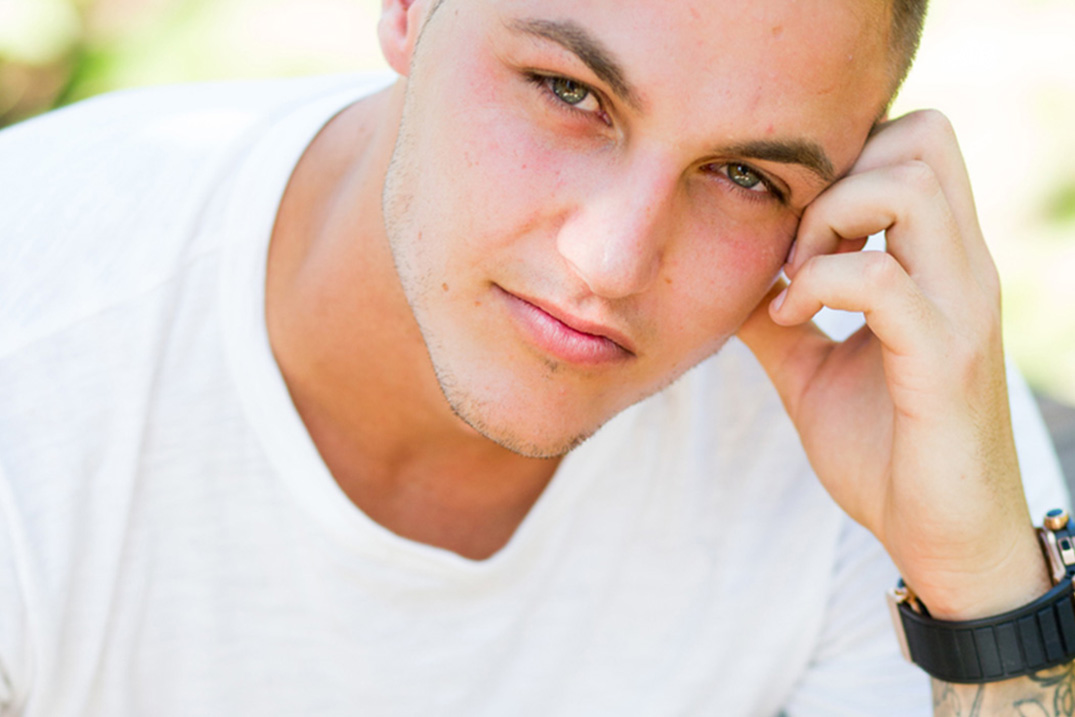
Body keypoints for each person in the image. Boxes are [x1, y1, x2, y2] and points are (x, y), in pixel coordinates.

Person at [0, 0, 1069, 714]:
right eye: (568, 92)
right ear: (411, 9)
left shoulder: (890, 404)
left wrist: (980, 589)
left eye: (745, 176)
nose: (610, 259)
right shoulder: (35, 337)